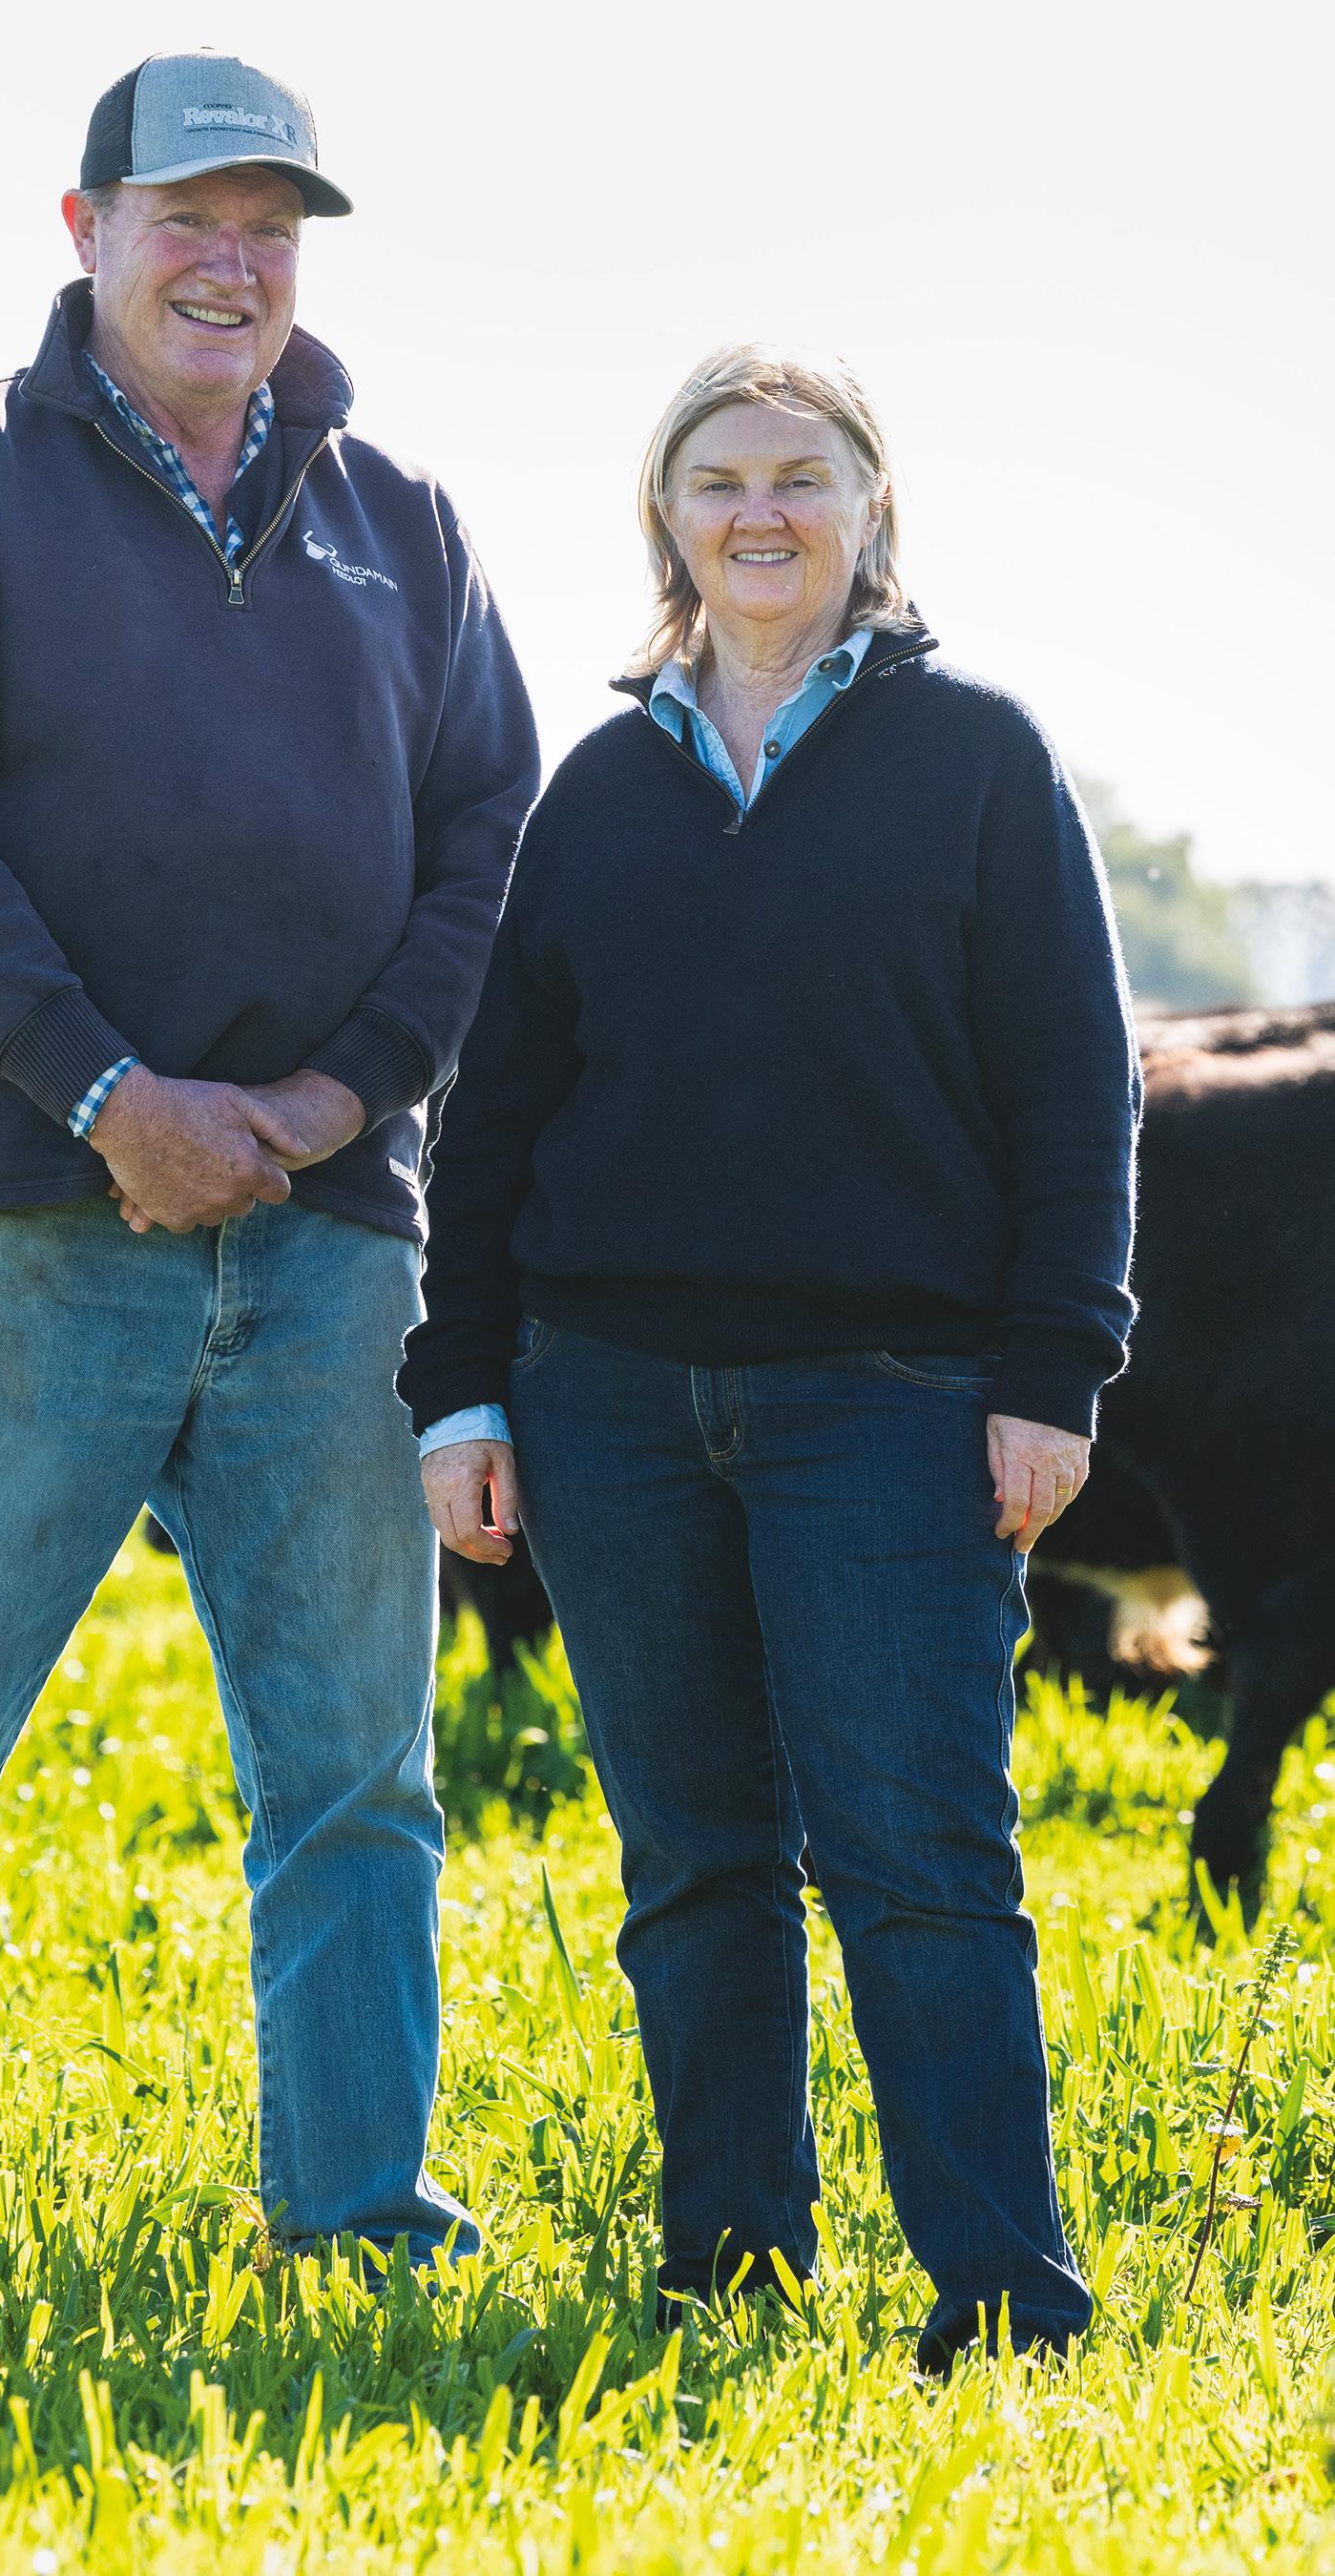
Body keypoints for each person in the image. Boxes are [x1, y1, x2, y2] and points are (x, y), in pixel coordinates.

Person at [0, 52, 540, 2259]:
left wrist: (334, 1099)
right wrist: (111, 1095)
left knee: (357, 1769)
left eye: (272, 227)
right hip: (19, 1217)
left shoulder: (406, 520)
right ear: (84, 228)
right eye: (189, 216)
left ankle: (357, 2201)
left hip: (332, 1238)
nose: (232, 263)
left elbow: (489, 847)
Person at [404, 344, 1137, 2371]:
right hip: (609, 1402)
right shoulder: (601, 785)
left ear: (869, 505)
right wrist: (461, 1388)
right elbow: (496, 1117)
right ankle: (730, 2269)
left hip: (891, 1401)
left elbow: (1075, 1092)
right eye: (717, 478)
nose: (759, 511)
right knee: (693, 1865)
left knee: (919, 1858)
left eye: (800, 476)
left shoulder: (975, 758)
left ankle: (1002, 2300)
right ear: (666, 516)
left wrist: (1053, 1372)